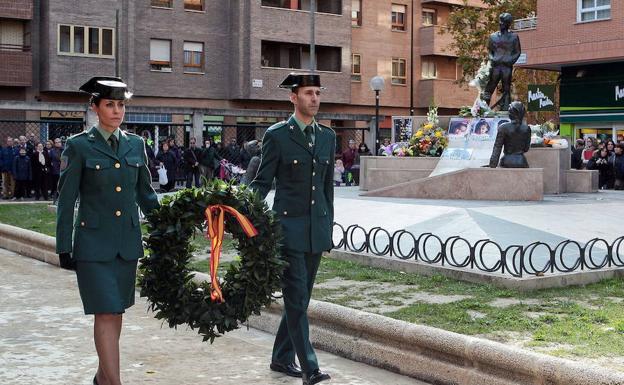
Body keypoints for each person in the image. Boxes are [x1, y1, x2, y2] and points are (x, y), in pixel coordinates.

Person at [55, 76, 160, 385]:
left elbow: (146, 195)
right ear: (95, 108)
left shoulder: (136, 144)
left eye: (121, 105)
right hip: (92, 246)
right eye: (110, 105)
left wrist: (174, 223)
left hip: (126, 245)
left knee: (116, 313)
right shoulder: (78, 146)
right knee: (104, 312)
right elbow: (66, 200)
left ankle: (102, 380)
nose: (117, 111)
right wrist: (63, 245)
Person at [250, 73, 334, 385]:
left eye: (317, 92)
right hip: (287, 230)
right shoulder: (277, 135)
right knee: (297, 299)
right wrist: (239, 215)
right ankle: (309, 368)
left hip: (315, 231)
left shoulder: (327, 137)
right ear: (293, 98)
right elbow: (261, 181)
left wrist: (328, 229)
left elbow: (327, 191)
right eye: (308, 93)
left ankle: (280, 357)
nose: (315, 98)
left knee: (299, 299)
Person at [483, 13, 521, 110]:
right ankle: (482, 109)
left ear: (508, 24)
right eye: (500, 21)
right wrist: (492, 58)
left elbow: (517, 52)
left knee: (506, 89)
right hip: (495, 67)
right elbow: (490, 51)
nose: (500, 23)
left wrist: (510, 61)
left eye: (503, 22)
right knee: (489, 87)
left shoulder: (514, 37)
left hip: (506, 67)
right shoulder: (493, 36)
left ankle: (505, 110)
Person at [489, 101, 530, 168]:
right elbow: (526, 148)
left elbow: (497, 148)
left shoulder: (503, 127)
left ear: (511, 113)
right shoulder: (526, 128)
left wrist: (492, 165)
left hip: (506, 161)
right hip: (521, 161)